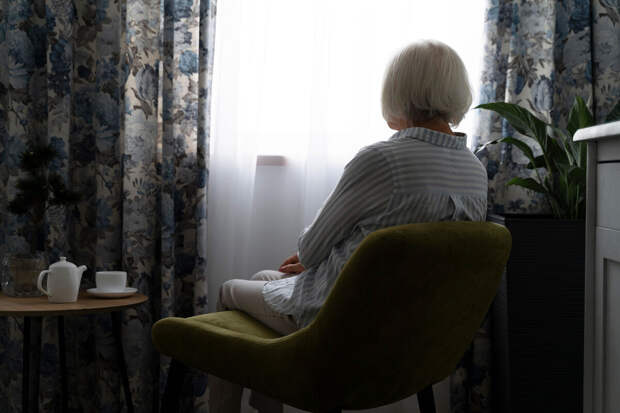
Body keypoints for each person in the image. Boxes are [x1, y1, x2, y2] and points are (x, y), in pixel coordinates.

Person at [209, 39, 488, 413]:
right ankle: (266, 403)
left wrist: (313, 260)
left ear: (398, 90)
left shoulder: (383, 160)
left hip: (346, 327)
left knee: (229, 291)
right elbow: (415, 256)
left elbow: (311, 249)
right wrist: (318, 265)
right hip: (416, 337)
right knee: (265, 278)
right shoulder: (475, 172)